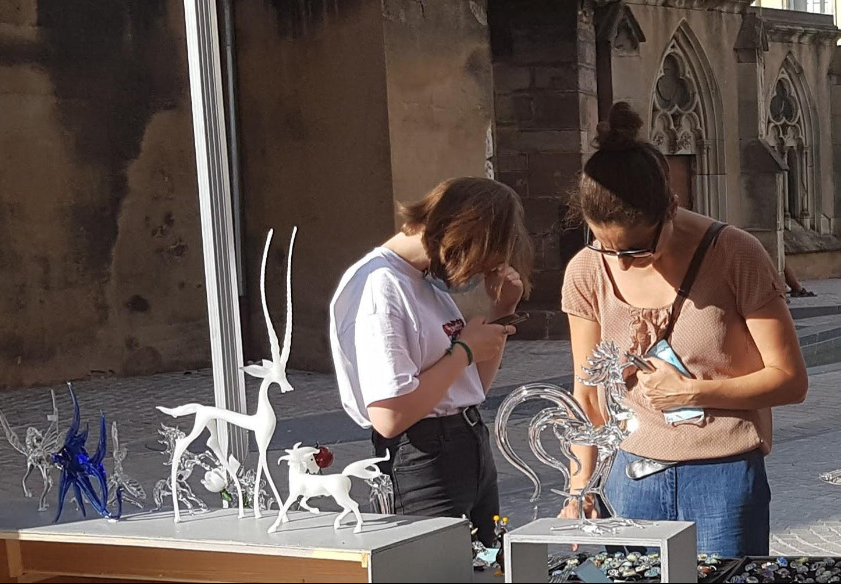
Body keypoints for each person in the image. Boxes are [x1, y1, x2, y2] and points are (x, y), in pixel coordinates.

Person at [558, 102, 808, 556]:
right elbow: (588, 395)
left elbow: (790, 381)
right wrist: (580, 487)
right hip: (630, 477)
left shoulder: (735, 254)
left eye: (635, 249)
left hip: (723, 478)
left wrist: (693, 393)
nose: (621, 263)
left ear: (672, 208)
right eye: (605, 246)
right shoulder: (587, 270)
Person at [330, 177, 533, 545]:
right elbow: (389, 416)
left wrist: (502, 311)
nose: (475, 276)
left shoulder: (419, 280)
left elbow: (471, 388)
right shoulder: (379, 286)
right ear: (463, 238)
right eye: (481, 263)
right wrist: (464, 351)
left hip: (466, 442)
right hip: (422, 459)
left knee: (487, 566)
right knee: (439, 566)